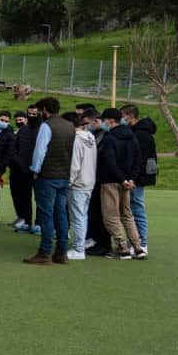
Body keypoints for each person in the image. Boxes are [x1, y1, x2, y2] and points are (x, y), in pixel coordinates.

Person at [24, 96, 76, 265]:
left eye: (40, 110)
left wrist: (35, 170)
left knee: (46, 215)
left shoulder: (46, 126)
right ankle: (61, 252)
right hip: (63, 175)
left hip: (47, 176)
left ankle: (44, 252)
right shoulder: (70, 126)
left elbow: (40, 152)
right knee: (60, 213)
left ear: (45, 109)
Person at [96, 107, 145, 258]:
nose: (103, 123)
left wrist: (122, 179)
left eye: (104, 120)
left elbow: (110, 162)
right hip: (127, 182)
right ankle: (137, 246)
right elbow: (138, 160)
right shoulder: (131, 136)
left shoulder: (109, 138)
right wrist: (131, 179)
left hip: (110, 181)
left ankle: (122, 247)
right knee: (127, 215)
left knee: (111, 216)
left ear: (110, 120)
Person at [122, 104, 158, 252]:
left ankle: (142, 242)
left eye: (123, 115)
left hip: (138, 177)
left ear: (130, 116)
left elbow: (139, 160)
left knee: (137, 206)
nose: (121, 118)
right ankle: (134, 240)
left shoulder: (142, 135)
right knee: (131, 208)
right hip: (134, 176)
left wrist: (133, 178)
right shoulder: (132, 132)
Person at [67, 110, 97, 261]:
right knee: (82, 216)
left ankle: (79, 249)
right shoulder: (90, 136)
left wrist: (69, 181)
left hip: (78, 183)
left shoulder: (77, 139)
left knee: (77, 217)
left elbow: (74, 164)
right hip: (89, 181)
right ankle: (80, 245)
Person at [82, 109, 111, 256]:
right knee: (94, 213)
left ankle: (104, 244)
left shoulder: (105, 137)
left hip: (101, 179)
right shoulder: (97, 135)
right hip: (95, 179)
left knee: (100, 213)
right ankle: (95, 240)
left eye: (89, 123)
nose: (88, 126)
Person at [9, 104, 39, 232]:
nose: (31, 116)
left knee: (40, 199)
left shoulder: (43, 129)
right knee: (23, 197)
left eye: (34, 114)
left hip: (39, 171)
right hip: (22, 170)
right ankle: (26, 221)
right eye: (30, 113)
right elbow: (14, 148)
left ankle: (39, 224)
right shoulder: (23, 130)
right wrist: (19, 162)